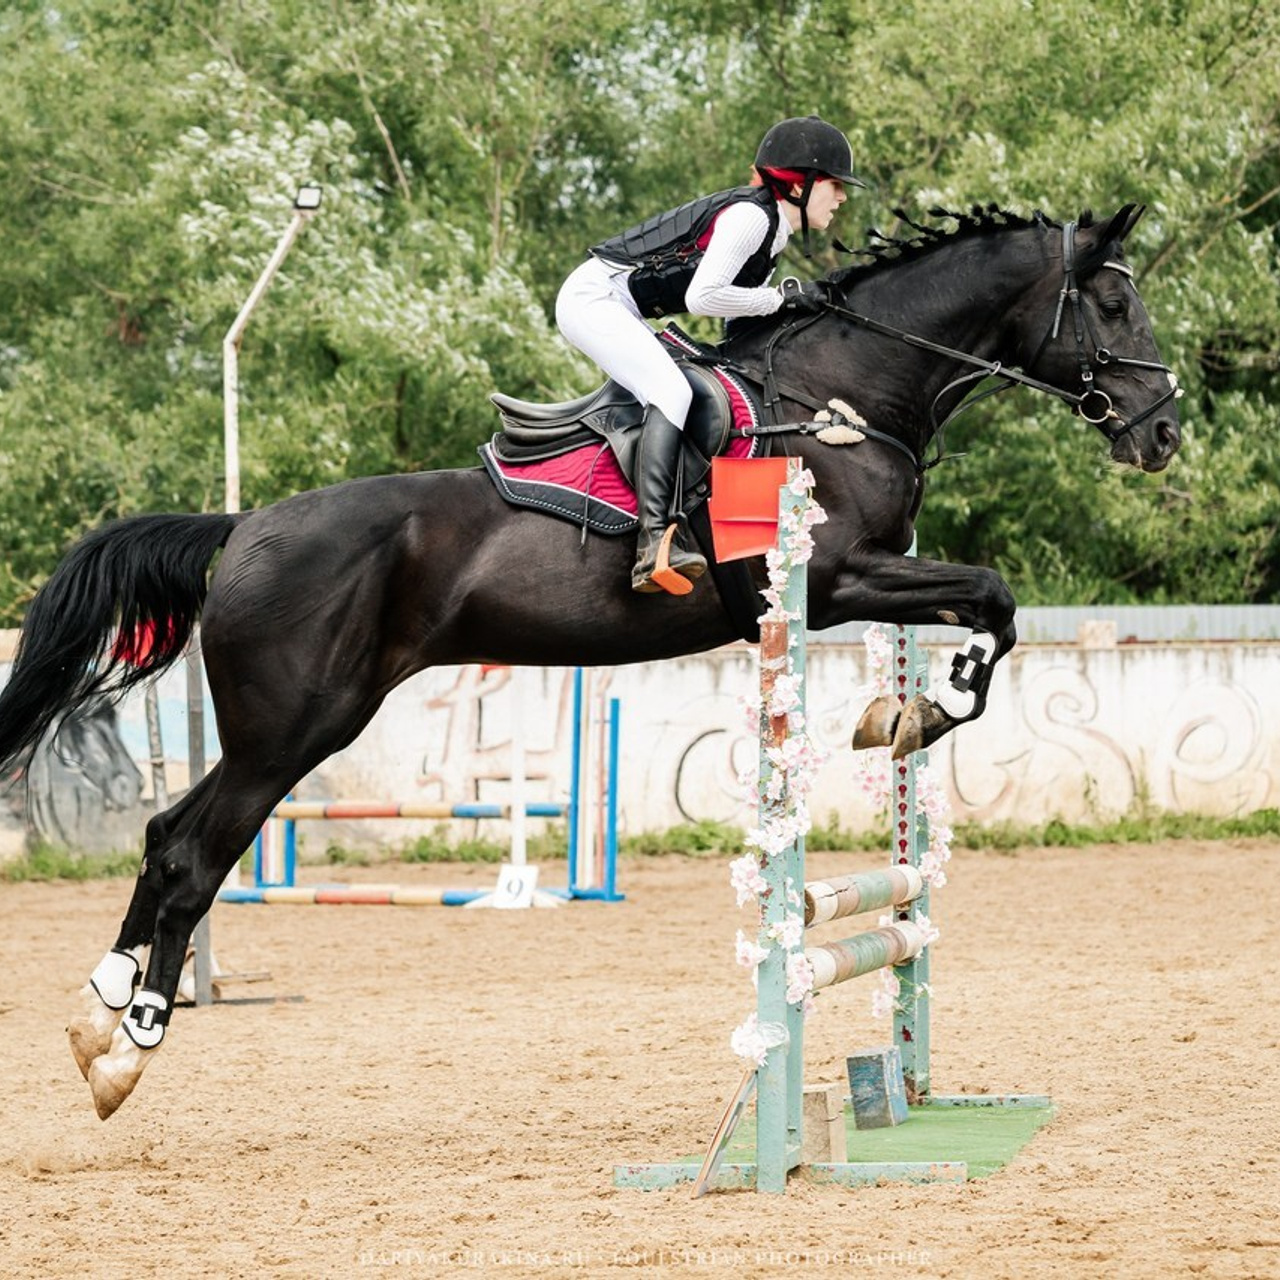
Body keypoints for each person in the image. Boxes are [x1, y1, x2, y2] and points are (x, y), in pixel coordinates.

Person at [556, 115, 865, 595]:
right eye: (833, 185)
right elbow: (704, 296)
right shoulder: (751, 218)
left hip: (624, 305)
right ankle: (654, 541)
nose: (842, 197)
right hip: (593, 298)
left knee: (692, 386)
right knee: (671, 390)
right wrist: (782, 297)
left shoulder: (772, 234)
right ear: (800, 187)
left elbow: (737, 322)